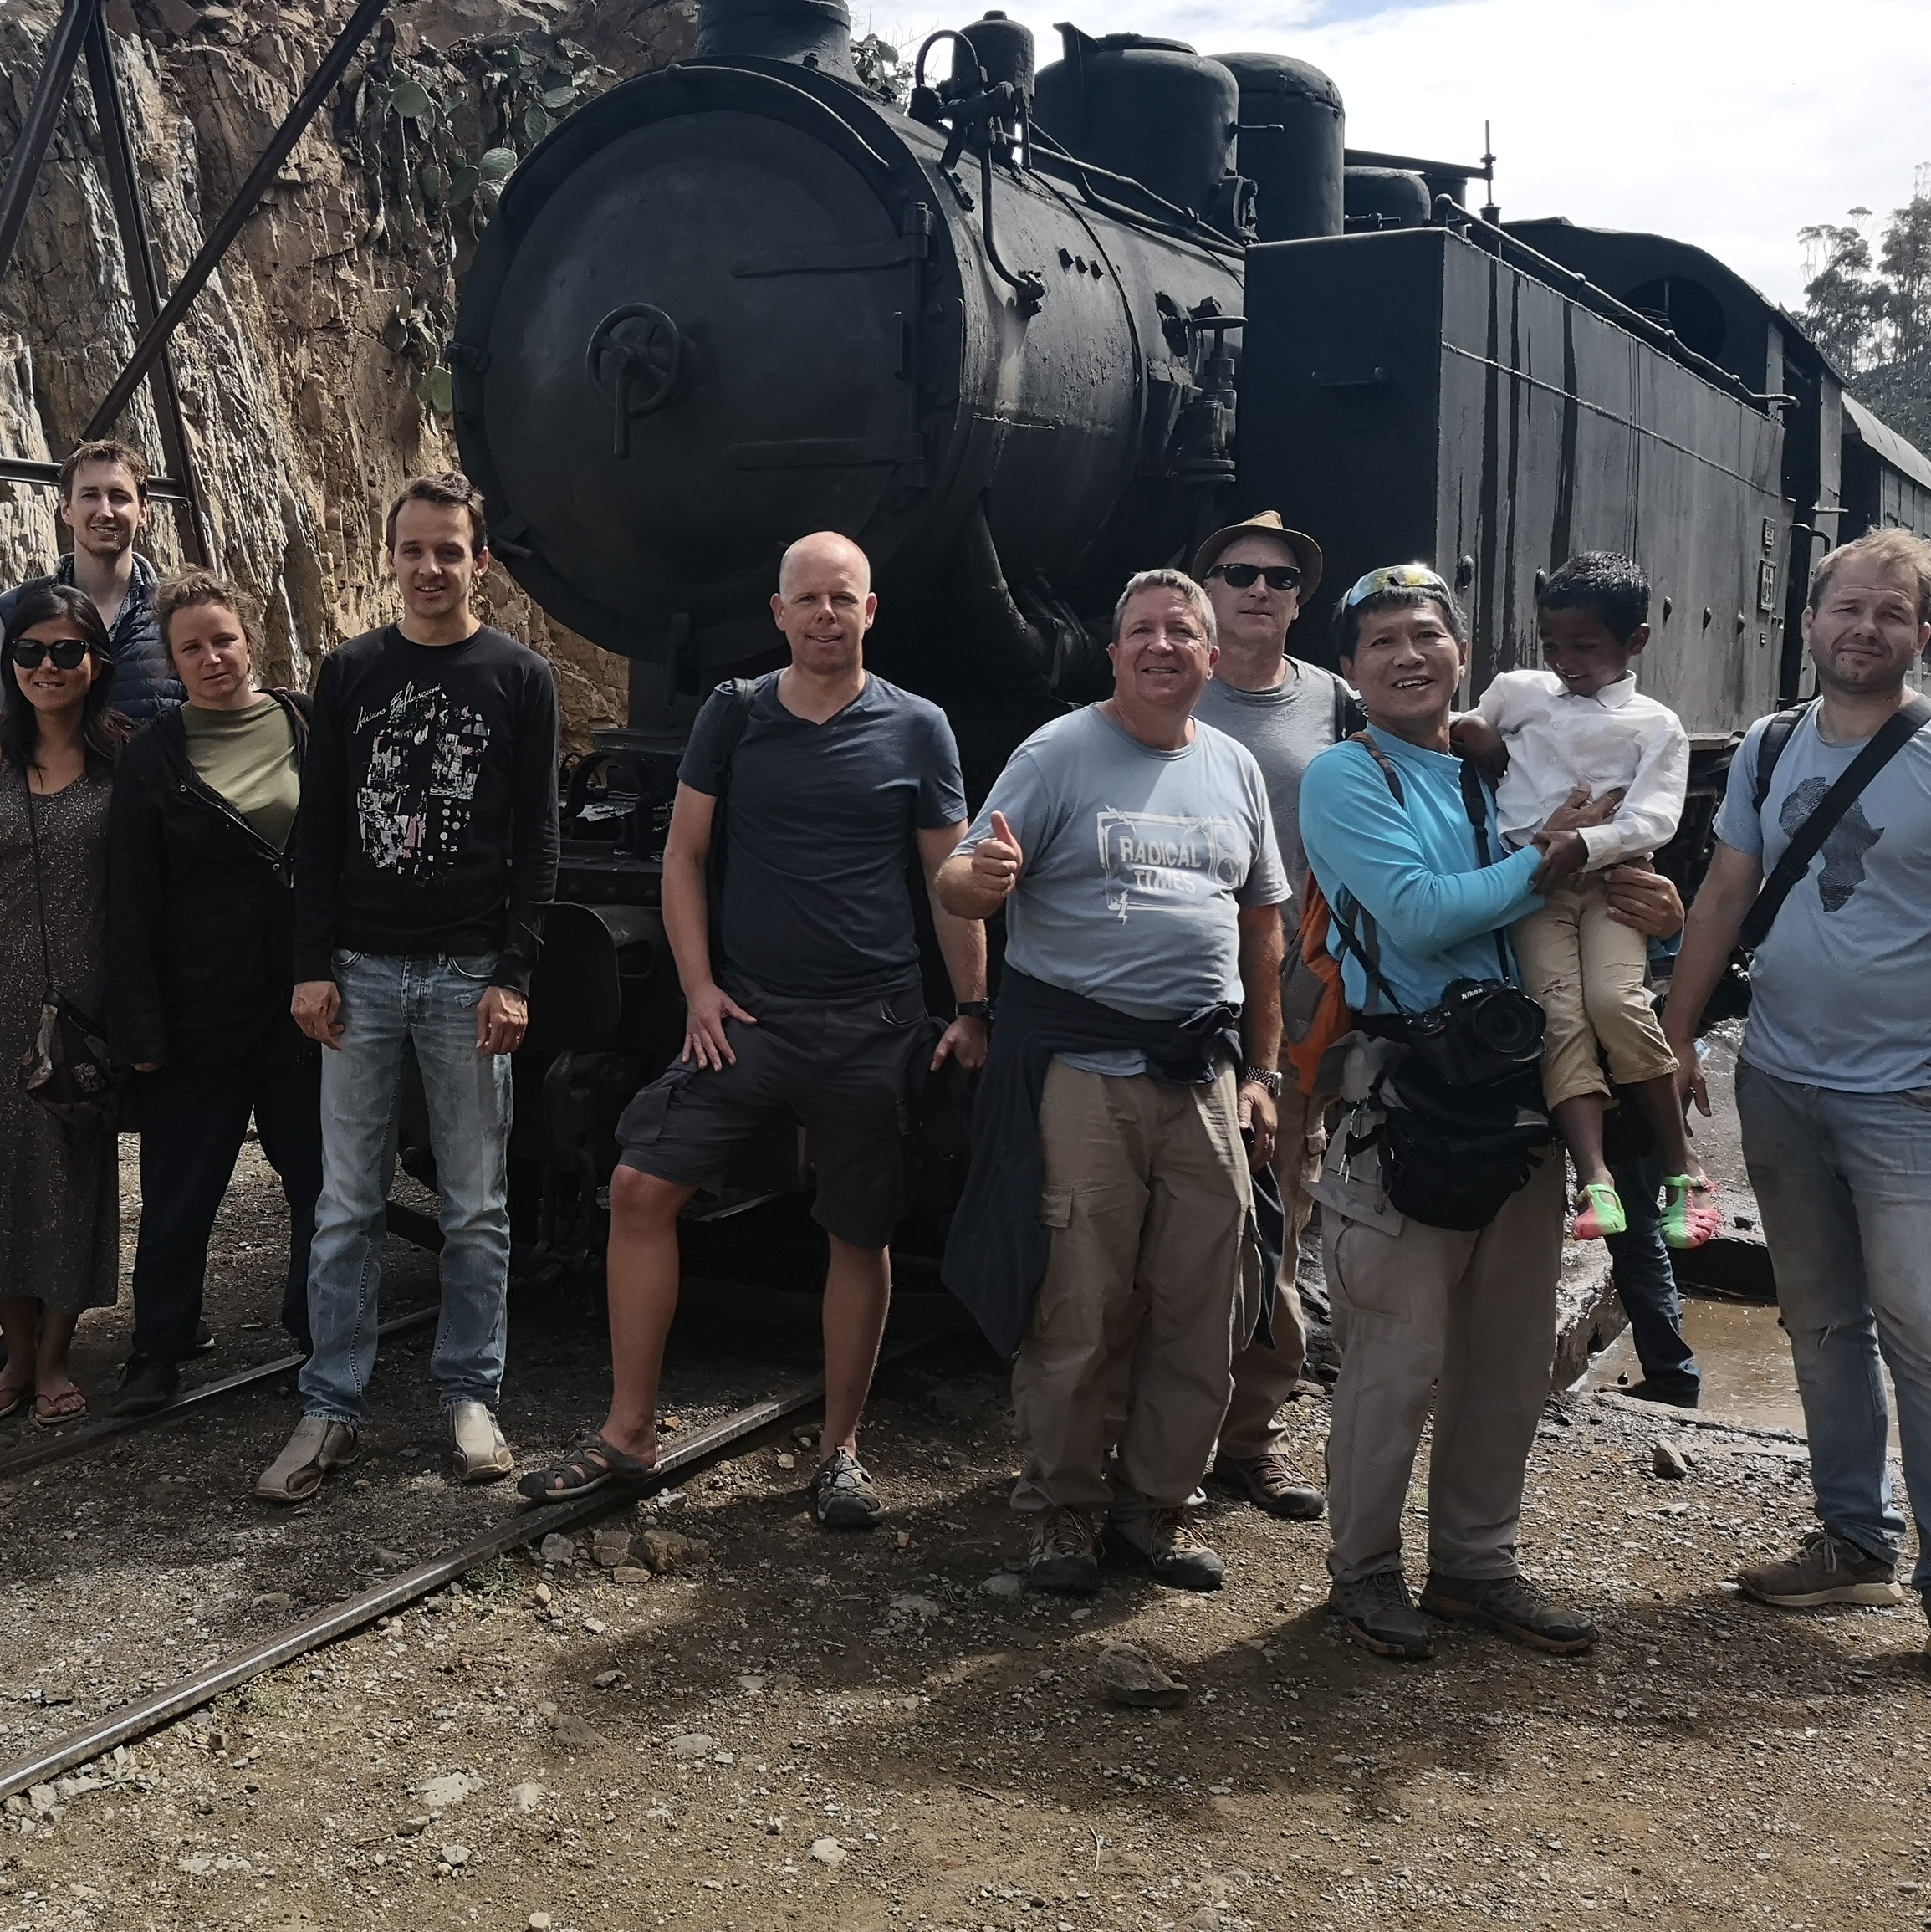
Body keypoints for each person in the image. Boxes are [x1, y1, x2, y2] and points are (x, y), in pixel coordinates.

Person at [519, 533, 985, 1530]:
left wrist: (975, 1009)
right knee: (639, 1186)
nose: (825, 614)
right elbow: (683, 857)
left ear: (870, 611)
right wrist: (697, 989)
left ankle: (841, 1451)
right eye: (807, 599)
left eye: (843, 598)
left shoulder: (919, 728)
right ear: (777, 613)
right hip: (753, 1015)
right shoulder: (735, 714)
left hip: (875, 1022)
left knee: (858, 1230)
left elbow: (948, 881)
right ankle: (629, 1431)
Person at [1660, 526, 1931, 1707]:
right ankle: (1852, 1542)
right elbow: (1724, 894)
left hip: (1918, 1095)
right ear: (1812, 622)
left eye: (1891, 612)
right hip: (1781, 1080)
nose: (1866, 628)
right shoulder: (1773, 746)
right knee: (1823, 1321)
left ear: (1920, 633)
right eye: (1848, 608)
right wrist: (1675, 1035)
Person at [1299, 561, 1673, 1663]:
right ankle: (1365, 1570)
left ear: (1464, 656)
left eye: (1427, 635)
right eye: (1381, 642)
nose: (1408, 656)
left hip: (1517, 1099)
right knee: (1396, 1358)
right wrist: (1553, 856)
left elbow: (1584, 917)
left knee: (1507, 1360)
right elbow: (1418, 916)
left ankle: (1475, 1566)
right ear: (1352, 670)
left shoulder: (1494, 765)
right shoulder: (1347, 777)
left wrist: (1650, 907)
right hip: (1407, 1100)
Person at [938, 569, 1285, 1603]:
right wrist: (977, 882)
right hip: (1084, 1073)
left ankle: (1158, 1505)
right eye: (1141, 630)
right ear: (1115, 650)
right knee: (1079, 1300)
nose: (1160, 645)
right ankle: (1066, 1503)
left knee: (1203, 1299)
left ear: (1211, 656)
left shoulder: (1233, 765)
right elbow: (959, 876)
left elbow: (1262, 926)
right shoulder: (1058, 752)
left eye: (1181, 631)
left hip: (1206, 1074)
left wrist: (1264, 1071)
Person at [260, 471, 560, 1505]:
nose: (430, 568)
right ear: (390, 557)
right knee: (347, 1203)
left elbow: (538, 839)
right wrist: (311, 964)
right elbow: (320, 830)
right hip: (361, 973)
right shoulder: (350, 671)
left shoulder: (521, 677)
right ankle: (330, 1405)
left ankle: (471, 1395)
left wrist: (514, 972)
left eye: (449, 551)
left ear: (481, 561)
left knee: (475, 1206)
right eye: (413, 550)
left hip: (469, 974)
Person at [101, 572, 322, 1417]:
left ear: (249, 640)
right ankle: (158, 1348)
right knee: (180, 1193)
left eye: (223, 639)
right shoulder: (151, 756)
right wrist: (139, 1027)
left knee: (321, 1184)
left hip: (302, 1008)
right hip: (196, 1011)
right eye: (190, 647)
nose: (211, 657)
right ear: (172, 661)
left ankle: (319, 1335)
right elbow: (131, 900)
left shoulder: (305, 724)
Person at [0, 582, 129, 1428]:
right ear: (11, 664)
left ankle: (54, 1359)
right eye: (31, 652)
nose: (49, 666)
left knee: (68, 1174)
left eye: (66, 651)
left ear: (95, 663)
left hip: (84, 1003)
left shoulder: (123, 757)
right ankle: (13, 1351)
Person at [1451, 551, 1704, 1242]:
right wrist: (1476, 733)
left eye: (1585, 647)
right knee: (1558, 1016)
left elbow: (1656, 818)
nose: (1565, 661)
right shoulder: (1519, 691)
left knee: (1615, 1002)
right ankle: (1596, 1182)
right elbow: (1465, 725)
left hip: (1609, 881)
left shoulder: (1657, 724)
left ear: (1635, 641)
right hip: (1532, 885)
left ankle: (1684, 1167)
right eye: (1552, 644)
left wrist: (1584, 844)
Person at [1188, 509, 1356, 1524]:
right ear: (1206, 588)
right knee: (1174, 1237)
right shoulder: (1169, 687)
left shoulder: (1334, 703)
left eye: (1280, 579)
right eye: (1240, 573)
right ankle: (1163, 1436)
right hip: (1174, 1010)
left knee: (1275, 1227)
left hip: (1288, 1018)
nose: (1259, 589)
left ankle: (1250, 1438)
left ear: (1300, 602)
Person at [0, 439, 181, 733]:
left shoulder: (176, 610)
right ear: (66, 509)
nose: (105, 511)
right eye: (90, 495)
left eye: (119, 497)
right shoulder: (12, 610)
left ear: (143, 512)